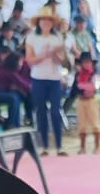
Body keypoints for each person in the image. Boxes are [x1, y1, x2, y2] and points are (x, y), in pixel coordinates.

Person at [24, 9, 68, 156]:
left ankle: (59, 145)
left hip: (54, 78)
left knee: (56, 111)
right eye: (43, 20)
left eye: (49, 20)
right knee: (41, 112)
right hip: (38, 78)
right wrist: (43, 55)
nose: (46, 23)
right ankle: (44, 146)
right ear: (39, 23)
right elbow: (29, 60)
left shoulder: (57, 38)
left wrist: (54, 53)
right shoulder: (31, 38)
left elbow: (62, 60)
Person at [72, 50, 100, 154]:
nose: (86, 64)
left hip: (91, 100)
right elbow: (75, 88)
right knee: (82, 125)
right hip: (81, 100)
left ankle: (97, 147)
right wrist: (85, 87)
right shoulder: (78, 75)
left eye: (88, 62)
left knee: (95, 124)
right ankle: (82, 147)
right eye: (84, 62)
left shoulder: (94, 75)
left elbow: (95, 87)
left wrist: (83, 87)